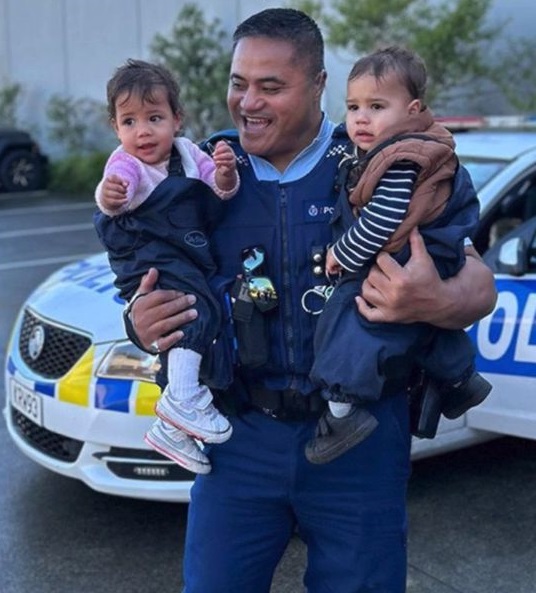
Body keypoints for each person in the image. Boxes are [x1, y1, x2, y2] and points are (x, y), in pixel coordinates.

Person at [123, 9, 496, 593]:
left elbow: (480, 283)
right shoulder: (199, 171)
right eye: (238, 83)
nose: (248, 102)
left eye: (271, 87)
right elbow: (140, 268)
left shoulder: (382, 163)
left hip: (360, 441)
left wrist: (435, 297)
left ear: (320, 84)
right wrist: (138, 320)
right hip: (236, 437)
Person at [306, 46, 492, 464]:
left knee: (348, 318)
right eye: (353, 107)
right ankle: (460, 378)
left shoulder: (400, 159)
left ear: (413, 110)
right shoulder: (398, 151)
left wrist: (343, 253)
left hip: (412, 256)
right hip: (434, 256)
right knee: (413, 326)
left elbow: (385, 219)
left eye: (376, 106)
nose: (361, 118)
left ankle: (341, 408)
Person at [94, 59, 239, 475]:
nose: (142, 131)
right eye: (130, 121)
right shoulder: (125, 165)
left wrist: (226, 174)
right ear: (116, 127)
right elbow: (110, 200)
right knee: (196, 312)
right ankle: (182, 400)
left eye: (154, 118)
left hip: (181, 250)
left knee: (200, 315)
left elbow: (219, 188)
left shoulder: (190, 153)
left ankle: (173, 427)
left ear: (177, 119)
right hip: (148, 255)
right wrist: (112, 194)